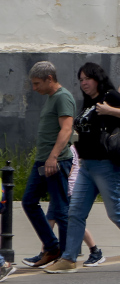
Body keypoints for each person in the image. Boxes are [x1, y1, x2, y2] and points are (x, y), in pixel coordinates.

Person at [45, 62, 120, 273]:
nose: (84, 83)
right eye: (81, 80)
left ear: (98, 78)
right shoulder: (89, 101)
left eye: (87, 78)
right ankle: (69, 258)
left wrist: (109, 110)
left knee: (116, 213)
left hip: (106, 165)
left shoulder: (110, 96)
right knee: (75, 212)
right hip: (87, 165)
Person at [21, 62, 75, 268]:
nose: (34, 88)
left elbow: (66, 129)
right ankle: (52, 248)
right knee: (28, 201)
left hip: (56, 161)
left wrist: (53, 157)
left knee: (61, 209)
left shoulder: (63, 97)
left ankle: (67, 255)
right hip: (43, 160)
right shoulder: (52, 98)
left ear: (49, 79)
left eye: (37, 83)